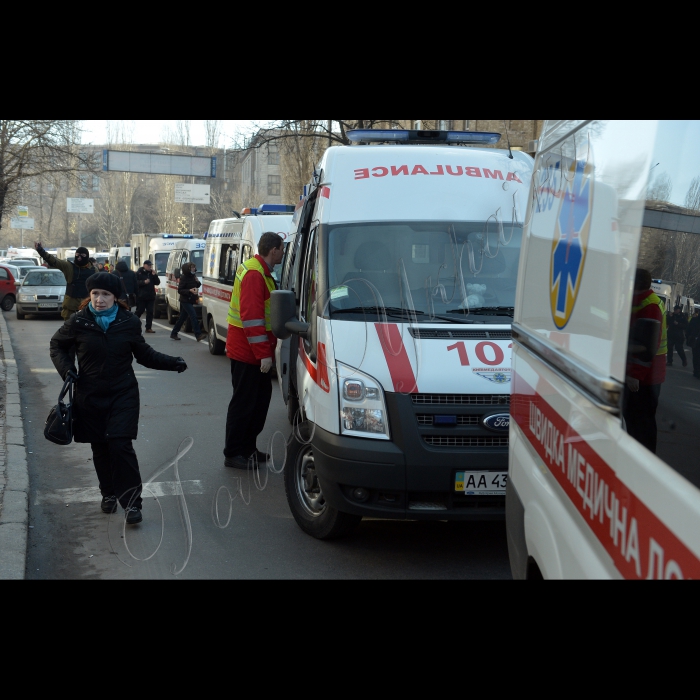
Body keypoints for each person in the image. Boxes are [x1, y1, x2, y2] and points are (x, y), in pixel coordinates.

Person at [49, 272, 187, 524]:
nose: (99, 300)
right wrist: (67, 370)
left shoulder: (128, 322)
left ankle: (133, 504)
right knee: (100, 447)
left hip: (123, 393)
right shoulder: (79, 321)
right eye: (95, 294)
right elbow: (57, 345)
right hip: (89, 395)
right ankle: (108, 494)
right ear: (89, 295)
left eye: (105, 294)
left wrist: (172, 362)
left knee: (120, 445)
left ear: (115, 297)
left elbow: (144, 354)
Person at [223, 232, 284, 469]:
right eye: (281, 248)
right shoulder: (254, 274)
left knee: (258, 402)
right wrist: (263, 355)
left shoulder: (260, 271)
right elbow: (252, 318)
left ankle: (247, 448)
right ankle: (233, 452)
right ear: (274, 250)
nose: (283, 252)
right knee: (244, 403)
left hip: (253, 352)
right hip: (248, 353)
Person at [624, 268, 667, 454]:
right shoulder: (641, 302)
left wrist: (634, 376)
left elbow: (646, 347)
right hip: (644, 374)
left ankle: (644, 461)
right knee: (634, 420)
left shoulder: (650, 306)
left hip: (645, 378)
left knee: (642, 423)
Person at [34, 242, 94, 320]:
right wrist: (41, 251)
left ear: (87, 257)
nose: (79, 257)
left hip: (87, 307)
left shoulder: (93, 270)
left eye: (82, 255)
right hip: (70, 308)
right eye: (77, 255)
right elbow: (54, 261)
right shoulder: (69, 267)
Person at [171, 262, 206, 342]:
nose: (194, 269)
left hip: (191, 299)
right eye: (192, 268)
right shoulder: (184, 278)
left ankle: (174, 333)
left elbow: (197, 285)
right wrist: (189, 291)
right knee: (193, 315)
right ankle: (198, 334)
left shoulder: (193, 276)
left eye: (194, 267)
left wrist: (197, 282)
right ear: (188, 269)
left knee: (182, 318)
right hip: (185, 300)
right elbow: (180, 290)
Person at [135, 259, 160, 334]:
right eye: (148, 265)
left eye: (150, 265)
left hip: (150, 296)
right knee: (139, 311)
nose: (150, 267)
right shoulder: (139, 272)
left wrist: (155, 275)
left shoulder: (151, 273)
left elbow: (157, 282)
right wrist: (143, 282)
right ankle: (133, 324)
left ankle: (148, 327)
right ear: (144, 265)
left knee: (150, 312)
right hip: (141, 296)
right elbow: (135, 283)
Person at [687, 309, 700, 378]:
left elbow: (688, 329)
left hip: (695, 341)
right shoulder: (694, 320)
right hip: (696, 341)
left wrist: (688, 338)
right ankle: (697, 371)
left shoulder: (694, 320)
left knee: (695, 357)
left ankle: (696, 371)